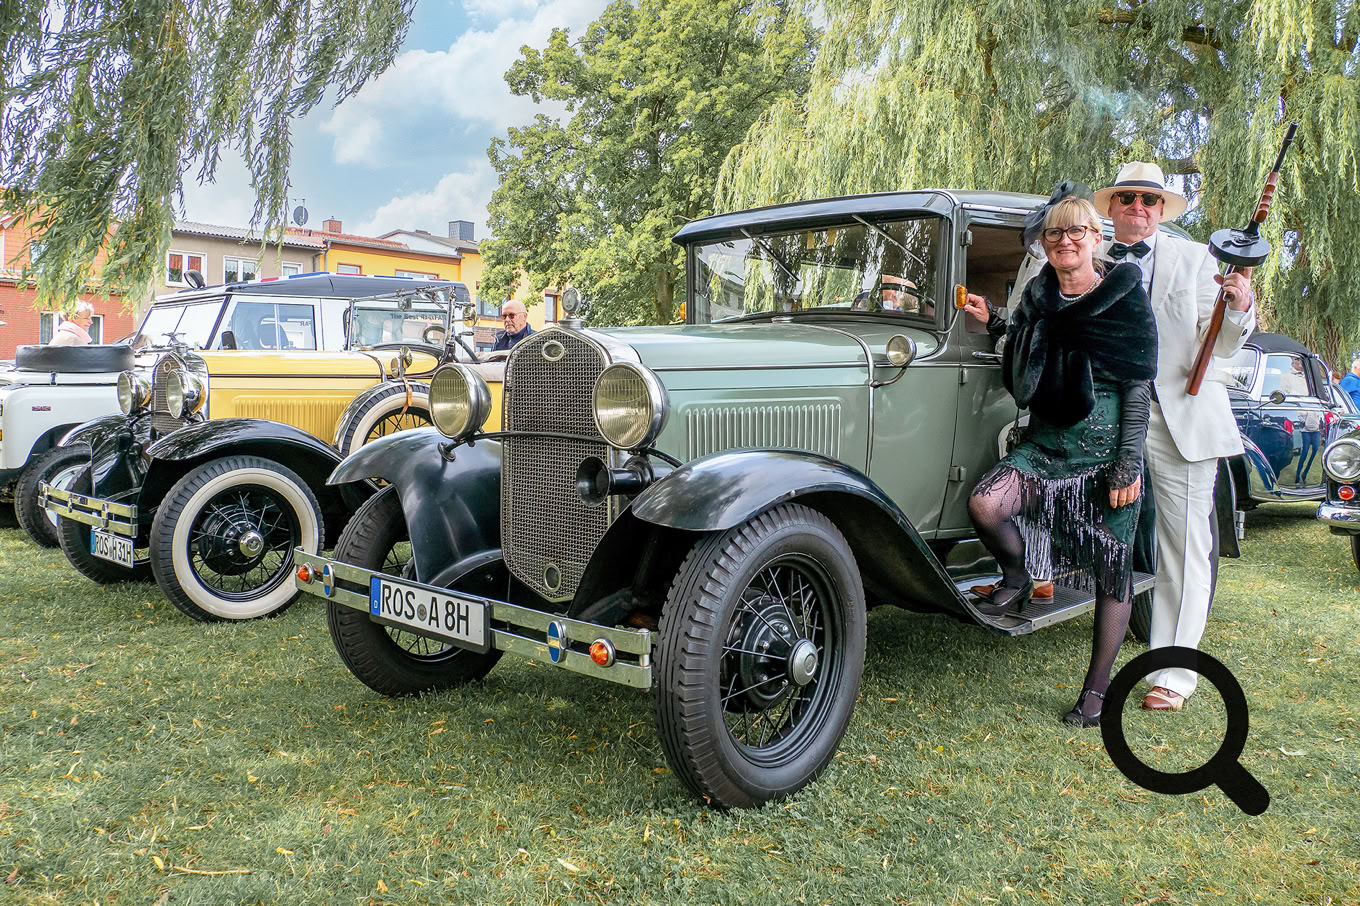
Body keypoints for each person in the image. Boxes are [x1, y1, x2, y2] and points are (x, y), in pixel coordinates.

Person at [965, 189, 1157, 728]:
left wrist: (1127, 466)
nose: (1066, 241)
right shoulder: (1040, 293)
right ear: (1045, 243)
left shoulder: (1123, 297)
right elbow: (1033, 341)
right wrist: (996, 319)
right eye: (1055, 233)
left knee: (1111, 571)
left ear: (1098, 240)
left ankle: (1096, 692)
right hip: (1046, 446)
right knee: (986, 502)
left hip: (1104, 455)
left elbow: (1139, 387)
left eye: (1077, 232)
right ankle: (1017, 573)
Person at [1093, 162, 1256, 712]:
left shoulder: (1196, 260)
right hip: (1104, 414)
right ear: (1111, 206)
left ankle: (1173, 673)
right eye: (1128, 197)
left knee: (1183, 544)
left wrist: (1238, 305)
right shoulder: (1088, 256)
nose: (1138, 207)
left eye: (1149, 200)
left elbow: (1227, 341)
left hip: (1176, 412)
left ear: (1161, 210)